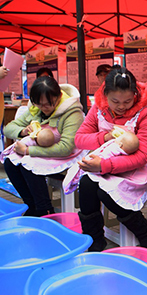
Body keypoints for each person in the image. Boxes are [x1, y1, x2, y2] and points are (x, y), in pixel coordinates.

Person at [74, 67, 147, 253]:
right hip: (105, 162)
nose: (121, 106)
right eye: (115, 101)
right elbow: (80, 138)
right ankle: (94, 238)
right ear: (105, 95)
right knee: (87, 184)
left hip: (136, 168)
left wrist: (103, 166)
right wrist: (105, 138)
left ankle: (146, 233)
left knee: (107, 193)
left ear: (135, 95)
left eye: (127, 101)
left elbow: (142, 156)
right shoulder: (99, 108)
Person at [1, 76, 85, 216]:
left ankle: (44, 209)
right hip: (44, 151)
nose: (44, 108)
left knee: (28, 164)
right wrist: (23, 131)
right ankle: (31, 204)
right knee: (10, 162)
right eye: (39, 104)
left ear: (58, 97)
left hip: (66, 154)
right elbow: (8, 129)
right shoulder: (36, 108)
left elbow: (66, 148)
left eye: (48, 104)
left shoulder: (73, 113)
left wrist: (28, 150)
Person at [63, 128, 140, 195]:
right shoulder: (123, 149)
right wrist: (105, 137)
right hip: (104, 168)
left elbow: (105, 155)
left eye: (119, 138)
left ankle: (73, 182)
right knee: (85, 180)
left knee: (86, 180)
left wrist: (100, 164)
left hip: (101, 168)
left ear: (120, 144)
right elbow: (79, 140)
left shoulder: (115, 148)